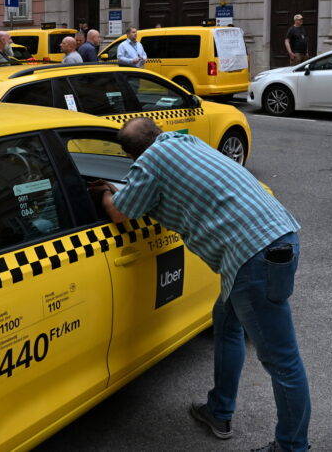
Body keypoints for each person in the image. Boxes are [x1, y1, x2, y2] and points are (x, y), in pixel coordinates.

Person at [90, 118, 309, 452]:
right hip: (278, 237)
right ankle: (219, 411)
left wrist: (105, 191)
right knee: (226, 322)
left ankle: (292, 446)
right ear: (157, 133)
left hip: (252, 257)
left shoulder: (150, 160)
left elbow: (121, 212)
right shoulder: (185, 143)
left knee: (283, 361)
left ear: (132, 154)